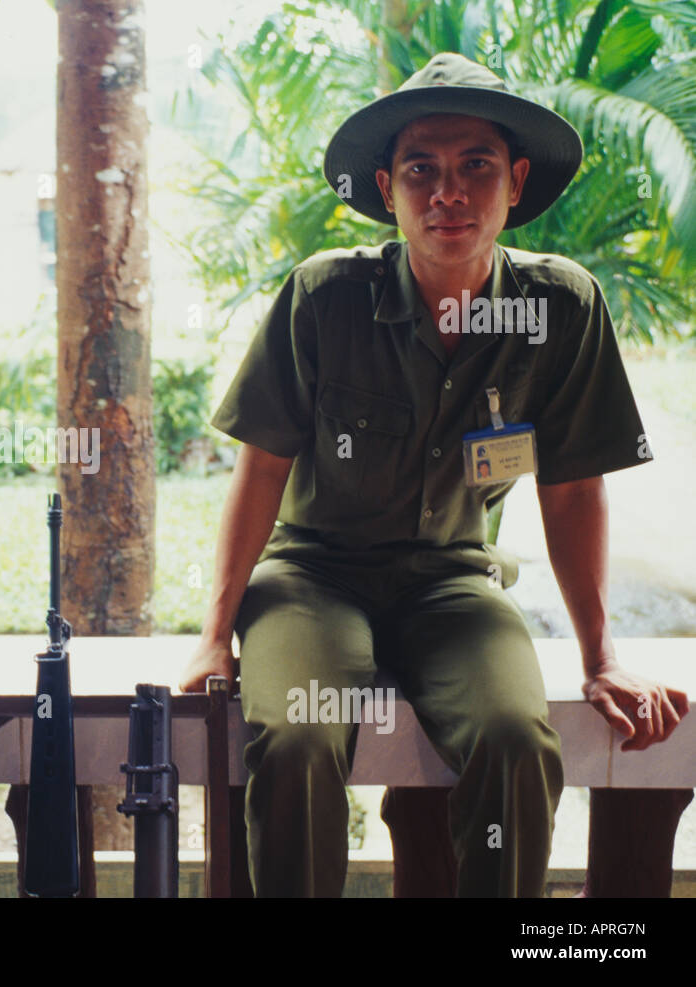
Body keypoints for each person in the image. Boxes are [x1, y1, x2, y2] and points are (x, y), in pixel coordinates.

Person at [179, 52, 689, 897]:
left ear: (515, 181)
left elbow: (572, 489)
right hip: (314, 578)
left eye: (474, 167)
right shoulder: (325, 298)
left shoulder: (561, 311)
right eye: (422, 169)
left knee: (517, 741)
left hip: (454, 583)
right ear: (389, 190)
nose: (447, 192)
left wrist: (601, 656)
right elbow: (260, 468)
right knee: (300, 739)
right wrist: (212, 636)